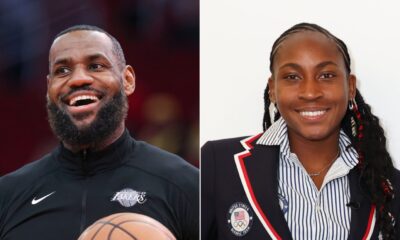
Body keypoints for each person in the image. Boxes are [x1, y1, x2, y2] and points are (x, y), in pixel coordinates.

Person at [201, 23, 400, 239]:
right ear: (273, 90)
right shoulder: (218, 165)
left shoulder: (388, 186)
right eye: (292, 77)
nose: (310, 93)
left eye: (326, 75)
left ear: (350, 86)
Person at [0, 25, 198, 240]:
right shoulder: (8, 195)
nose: (77, 79)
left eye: (95, 66)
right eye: (62, 71)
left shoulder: (184, 185)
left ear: (128, 80)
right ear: (49, 88)